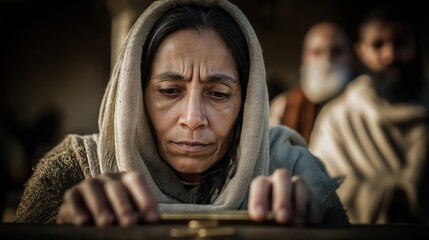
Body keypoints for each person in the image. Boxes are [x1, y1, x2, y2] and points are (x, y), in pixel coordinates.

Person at [13, 0, 349, 226]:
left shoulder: (292, 172)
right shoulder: (73, 171)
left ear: (248, 103)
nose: (192, 118)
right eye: (169, 91)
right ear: (135, 96)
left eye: (218, 94)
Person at [309, 4, 429, 224]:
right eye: (378, 45)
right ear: (362, 52)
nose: (389, 55)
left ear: (417, 44)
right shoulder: (338, 118)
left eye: (400, 43)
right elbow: (322, 194)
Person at [269, 22, 354, 143]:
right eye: (317, 52)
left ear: (351, 56)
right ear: (305, 57)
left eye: (336, 51)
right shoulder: (283, 107)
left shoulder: (364, 106)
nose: (327, 60)